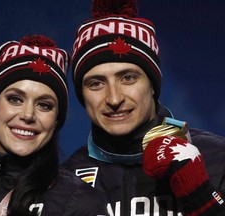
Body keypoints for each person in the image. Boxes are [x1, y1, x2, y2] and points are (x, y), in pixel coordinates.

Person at [62, 0, 225, 215]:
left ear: (153, 86)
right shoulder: (64, 180)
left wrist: (200, 196)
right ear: (82, 95)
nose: (113, 98)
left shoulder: (217, 157)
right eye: (96, 83)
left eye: (128, 78)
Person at [0, 35, 109, 215]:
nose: (28, 115)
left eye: (44, 105)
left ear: (56, 120)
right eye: (15, 99)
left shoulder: (79, 201)